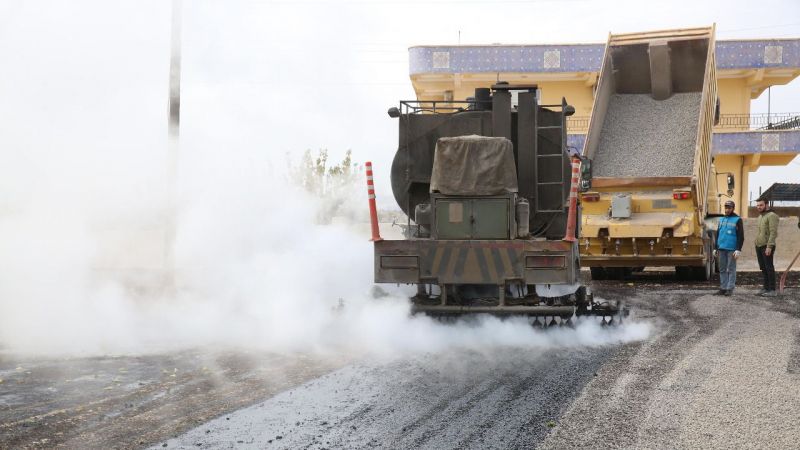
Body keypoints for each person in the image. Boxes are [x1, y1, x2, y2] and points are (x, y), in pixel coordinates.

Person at [714, 200, 743, 296]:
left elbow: (741, 236)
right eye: (726, 207)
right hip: (721, 248)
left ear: (733, 208)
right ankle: (723, 288)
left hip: (732, 249)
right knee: (722, 269)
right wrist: (715, 247)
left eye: (729, 208)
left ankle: (730, 288)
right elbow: (718, 233)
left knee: (731, 269)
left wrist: (738, 249)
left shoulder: (738, 219)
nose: (727, 209)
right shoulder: (721, 219)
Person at [754, 198, 779, 297]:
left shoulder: (772, 216)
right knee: (763, 268)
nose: (759, 207)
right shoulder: (760, 217)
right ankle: (766, 288)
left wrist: (769, 246)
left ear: (766, 205)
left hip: (767, 246)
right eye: (757, 205)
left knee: (769, 267)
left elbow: (773, 233)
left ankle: (772, 290)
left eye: (761, 205)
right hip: (759, 245)